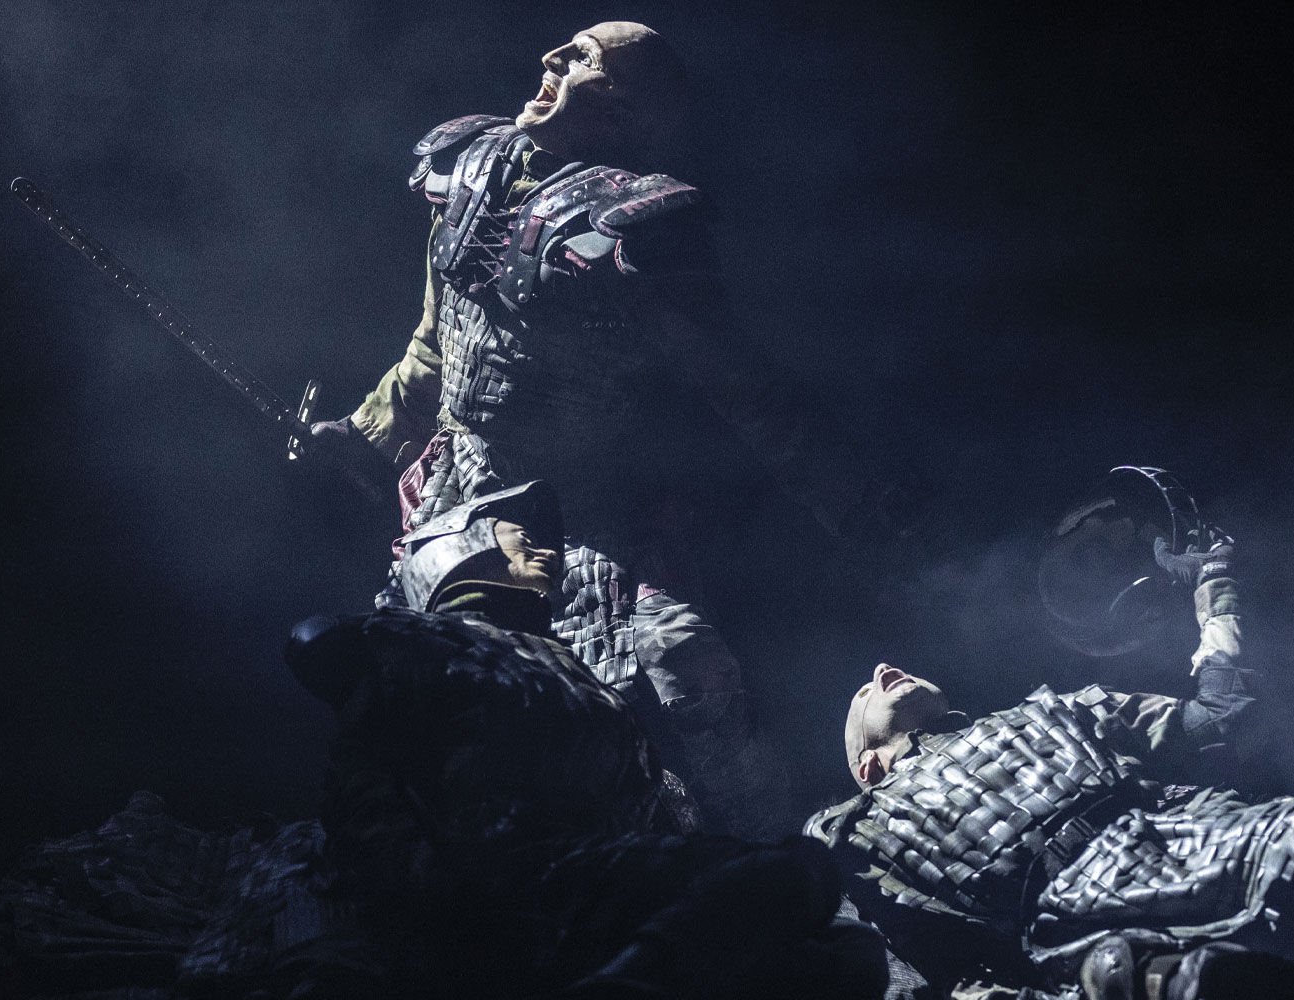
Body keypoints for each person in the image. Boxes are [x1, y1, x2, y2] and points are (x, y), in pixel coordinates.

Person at [305, 22, 893, 837]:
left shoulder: (641, 230)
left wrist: (859, 503)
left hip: (585, 507)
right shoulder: (467, 170)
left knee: (685, 663)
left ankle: (770, 850)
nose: (552, 58)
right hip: (460, 487)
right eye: (567, 46)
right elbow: (437, 342)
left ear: (623, 112)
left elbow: (743, 386)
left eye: (586, 59)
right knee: (420, 681)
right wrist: (367, 432)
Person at [806, 532, 1294, 999]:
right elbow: (900, 978)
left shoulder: (1059, 709)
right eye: (866, 693)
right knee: (1212, 984)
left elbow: (1222, 719)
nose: (882, 669)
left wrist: (1215, 588)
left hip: (1185, 836)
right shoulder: (846, 838)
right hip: (1076, 927)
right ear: (866, 768)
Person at [284, 481, 888, 999]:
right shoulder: (418, 642)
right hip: (501, 895)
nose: (548, 551)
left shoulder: (550, 659)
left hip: (576, 888)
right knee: (788, 879)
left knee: (837, 949)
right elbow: (318, 650)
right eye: (521, 536)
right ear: (457, 550)